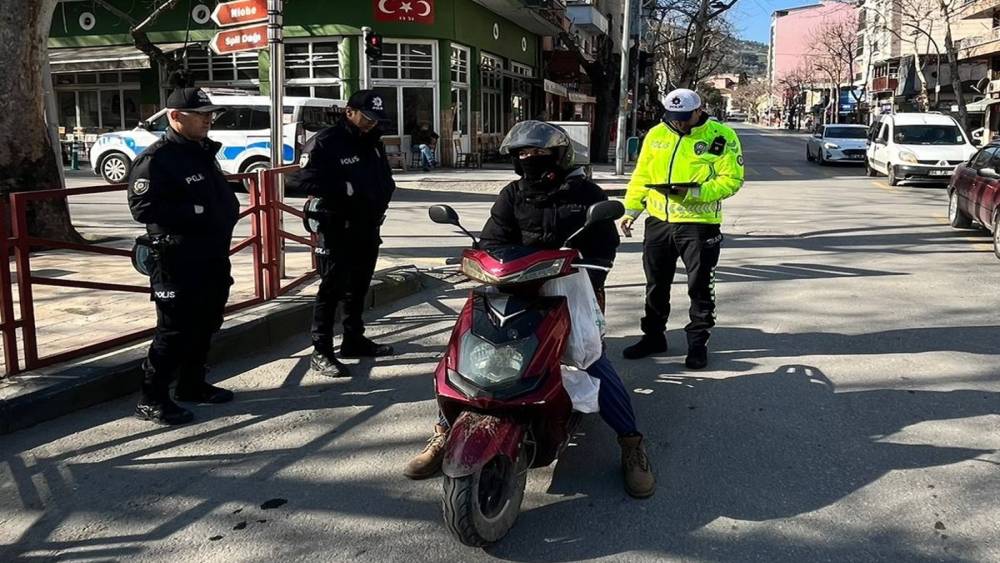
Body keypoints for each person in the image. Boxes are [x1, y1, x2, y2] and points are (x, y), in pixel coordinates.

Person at [404, 121, 656, 499]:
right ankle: (443, 431)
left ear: (558, 155)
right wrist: (481, 259)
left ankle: (631, 442)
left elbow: (604, 243)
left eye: (538, 153)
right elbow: (492, 237)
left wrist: (589, 266)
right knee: (460, 354)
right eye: (522, 155)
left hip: (568, 287)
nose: (530, 160)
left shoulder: (585, 193)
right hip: (513, 284)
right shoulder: (512, 194)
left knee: (591, 360)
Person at [127, 87, 239, 425]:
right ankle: (152, 397)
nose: (208, 120)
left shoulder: (201, 151)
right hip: (176, 257)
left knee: (207, 320)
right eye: (201, 115)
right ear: (175, 117)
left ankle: (192, 383)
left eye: (210, 114)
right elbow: (142, 206)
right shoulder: (157, 159)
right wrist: (198, 210)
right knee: (173, 329)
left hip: (210, 254)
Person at [620, 88, 744, 369]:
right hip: (658, 222)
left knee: (699, 287)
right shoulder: (656, 134)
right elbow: (642, 174)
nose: (678, 122)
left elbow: (732, 180)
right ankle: (653, 336)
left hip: (699, 225)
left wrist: (692, 193)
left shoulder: (721, 137)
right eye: (673, 117)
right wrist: (631, 211)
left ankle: (698, 343)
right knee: (655, 285)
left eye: (684, 117)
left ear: (699, 110)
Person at [291, 90, 397, 378]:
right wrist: (343, 190)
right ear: (349, 112)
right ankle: (321, 350)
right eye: (366, 117)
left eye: (375, 119)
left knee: (359, 287)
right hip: (338, 228)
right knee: (331, 291)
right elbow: (302, 181)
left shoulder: (373, 142)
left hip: (368, 227)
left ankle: (354, 339)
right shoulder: (326, 142)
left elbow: (384, 179)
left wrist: (382, 194)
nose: (371, 123)